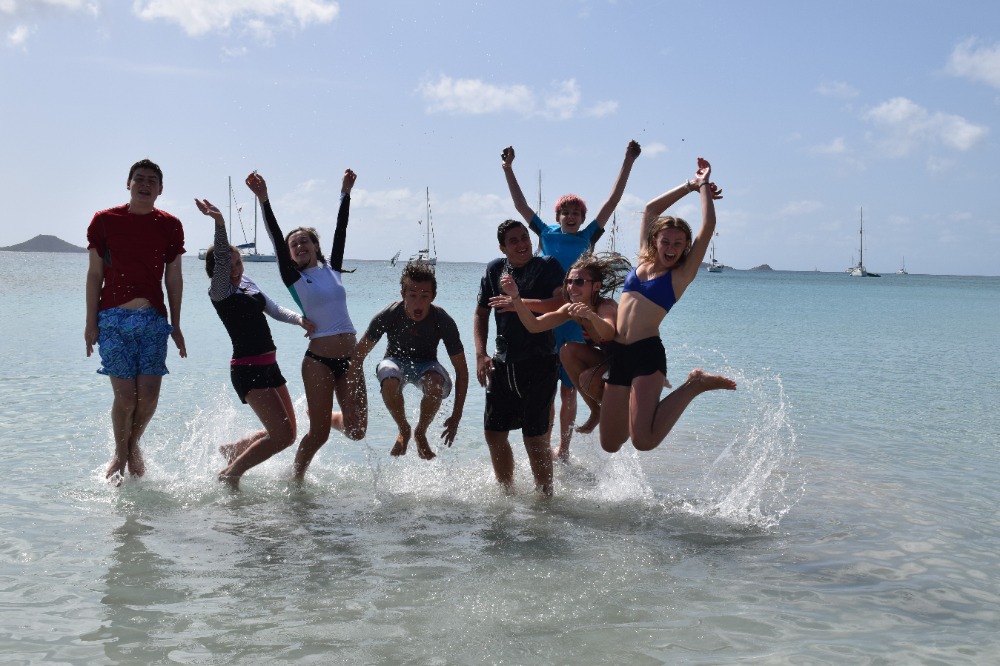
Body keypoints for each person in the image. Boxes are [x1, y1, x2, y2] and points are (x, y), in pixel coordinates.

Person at [500, 140, 641, 459]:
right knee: (546, 388)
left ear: (582, 217)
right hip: (554, 314)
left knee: (569, 388)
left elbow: (613, 200)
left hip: (578, 317)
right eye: (566, 212)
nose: (571, 216)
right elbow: (521, 206)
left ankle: (563, 448)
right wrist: (508, 169)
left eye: (577, 212)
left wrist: (628, 161)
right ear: (558, 215)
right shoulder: (546, 233)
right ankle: (544, 444)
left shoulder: (587, 236)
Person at [600, 158, 736, 454]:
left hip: (646, 354)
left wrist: (704, 186)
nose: (671, 248)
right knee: (610, 444)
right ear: (655, 240)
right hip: (617, 353)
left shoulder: (680, 276)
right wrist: (689, 184)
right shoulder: (643, 260)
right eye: (666, 242)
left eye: (678, 243)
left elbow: (708, 226)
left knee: (643, 441)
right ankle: (636, 404)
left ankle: (694, 384)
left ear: (686, 246)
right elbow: (651, 209)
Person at [245, 169, 367, 481]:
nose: (299, 246)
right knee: (318, 435)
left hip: (351, 357)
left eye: (304, 242)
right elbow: (275, 237)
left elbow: (341, 229)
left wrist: (345, 193)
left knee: (357, 430)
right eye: (294, 245)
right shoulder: (294, 279)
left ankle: (333, 416)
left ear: (315, 246)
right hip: (318, 362)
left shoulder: (333, 269)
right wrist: (264, 200)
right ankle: (295, 479)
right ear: (289, 254)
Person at [195, 197, 315, 488]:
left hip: (270, 367)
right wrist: (220, 223)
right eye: (229, 265)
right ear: (217, 269)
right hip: (248, 369)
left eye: (238, 262)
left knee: (289, 434)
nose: (235, 268)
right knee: (281, 436)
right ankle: (230, 474)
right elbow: (222, 257)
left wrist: (300, 319)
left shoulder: (247, 283)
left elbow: (273, 308)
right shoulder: (220, 291)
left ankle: (233, 450)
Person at [85, 158, 186, 483]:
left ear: (160, 189)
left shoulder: (170, 225)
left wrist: (177, 325)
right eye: (139, 178)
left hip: (153, 320)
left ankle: (132, 444)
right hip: (112, 318)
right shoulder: (104, 221)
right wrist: (90, 323)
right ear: (128, 184)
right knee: (126, 397)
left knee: (150, 396)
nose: (145, 184)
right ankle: (121, 453)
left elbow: (174, 277)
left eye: (151, 180)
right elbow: (94, 274)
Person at [499, 252, 632, 446]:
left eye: (579, 282)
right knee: (567, 350)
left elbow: (609, 333)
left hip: (630, 364)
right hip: (610, 360)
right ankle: (597, 411)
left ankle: (622, 415)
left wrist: (592, 317)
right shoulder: (572, 309)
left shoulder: (605, 306)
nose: (571, 287)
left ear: (596, 286)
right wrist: (516, 298)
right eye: (568, 281)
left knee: (587, 378)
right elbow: (535, 325)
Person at [474, 220, 565, 495]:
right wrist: (480, 354)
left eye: (525, 237)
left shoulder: (547, 266)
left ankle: (545, 498)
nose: (522, 244)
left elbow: (561, 303)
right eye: (513, 241)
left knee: (534, 438)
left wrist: (518, 303)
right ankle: (506, 494)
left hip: (540, 362)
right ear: (502, 248)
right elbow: (481, 313)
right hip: (502, 363)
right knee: (494, 434)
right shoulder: (495, 270)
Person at [353, 261, 468, 460]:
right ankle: (404, 429)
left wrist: (456, 416)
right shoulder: (389, 315)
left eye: (425, 296)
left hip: (427, 365)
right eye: (412, 295)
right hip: (394, 361)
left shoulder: (443, 320)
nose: (418, 303)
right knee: (389, 378)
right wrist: (353, 401)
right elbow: (357, 358)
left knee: (435, 383)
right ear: (403, 294)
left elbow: (462, 371)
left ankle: (420, 432)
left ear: (433, 296)